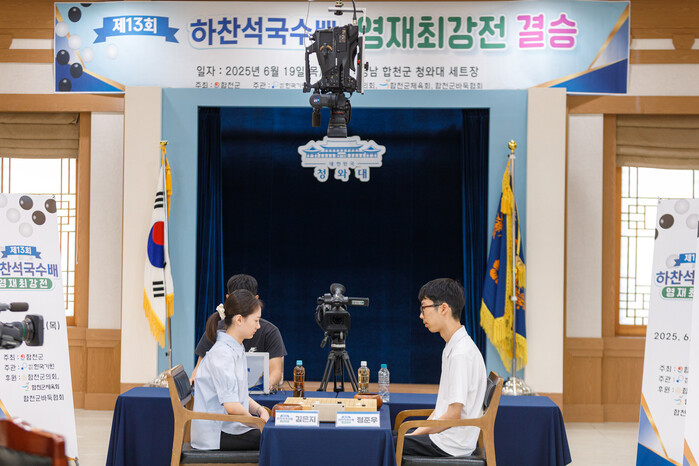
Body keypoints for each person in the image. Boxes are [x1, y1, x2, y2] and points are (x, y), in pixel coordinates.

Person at [398, 278, 487, 458]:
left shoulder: (460, 353)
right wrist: (416, 432)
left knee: (382, 443)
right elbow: (444, 409)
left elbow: (453, 414)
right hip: (445, 436)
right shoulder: (453, 346)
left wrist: (414, 434)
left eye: (424, 308)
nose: (421, 315)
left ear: (444, 308)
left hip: (450, 444)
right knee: (387, 438)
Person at [191, 289, 271, 450]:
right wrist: (257, 423)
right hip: (216, 433)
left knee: (273, 433)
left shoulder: (235, 348)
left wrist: (259, 410)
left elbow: (239, 396)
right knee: (273, 438)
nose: (259, 326)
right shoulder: (222, 354)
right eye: (256, 320)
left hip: (229, 425)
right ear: (239, 320)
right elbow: (232, 407)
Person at [190, 274, 287, 387]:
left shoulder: (269, 331)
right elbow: (199, 370)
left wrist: (265, 385)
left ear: (255, 300)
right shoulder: (215, 331)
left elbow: (275, 371)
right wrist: (195, 380)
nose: (258, 326)